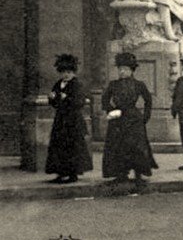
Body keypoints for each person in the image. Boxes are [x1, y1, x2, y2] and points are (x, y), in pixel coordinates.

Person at [102, 52, 158, 185]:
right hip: (118, 119)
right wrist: (112, 110)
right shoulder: (113, 84)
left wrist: (145, 116)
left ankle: (138, 173)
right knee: (118, 146)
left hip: (134, 119)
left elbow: (148, 100)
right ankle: (121, 173)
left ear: (132, 71)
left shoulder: (139, 84)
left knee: (136, 147)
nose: (122, 72)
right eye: (120, 69)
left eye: (125, 69)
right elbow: (105, 100)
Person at [45, 54, 93, 184]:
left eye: (69, 72)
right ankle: (61, 173)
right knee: (59, 146)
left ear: (73, 72)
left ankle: (73, 174)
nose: (66, 75)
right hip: (61, 120)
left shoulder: (76, 85)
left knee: (72, 146)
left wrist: (67, 98)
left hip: (73, 120)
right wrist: (52, 98)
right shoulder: (58, 84)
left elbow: (80, 102)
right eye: (63, 72)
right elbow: (55, 104)